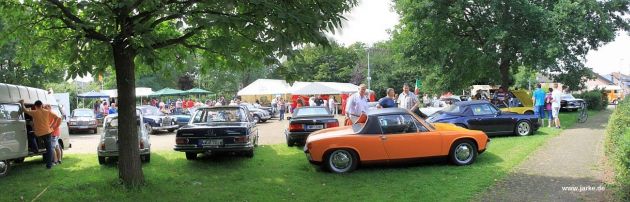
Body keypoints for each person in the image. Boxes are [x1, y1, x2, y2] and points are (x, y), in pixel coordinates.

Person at [19, 100, 61, 169]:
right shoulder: (47, 112)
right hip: (48, 132)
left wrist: (22, 103)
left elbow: (25, 110)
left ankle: (35, 149)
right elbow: (57, 118)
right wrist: (51, 125)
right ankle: (49, 165)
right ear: (42, 105)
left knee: (30, 135)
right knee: (49, 148)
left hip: (39, 133)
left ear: (35, 106)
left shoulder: (35, 112)